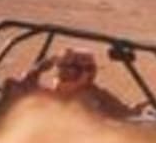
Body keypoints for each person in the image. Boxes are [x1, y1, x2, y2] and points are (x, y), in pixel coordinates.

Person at [10, 49, 138, 119]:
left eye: (69, 71)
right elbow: (20, 88)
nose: (62, 75)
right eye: (60, 70)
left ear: (86, 74)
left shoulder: (96, 97)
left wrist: (135, 110)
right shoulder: (50, 94)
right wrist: (37, 70)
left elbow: (125, 113)